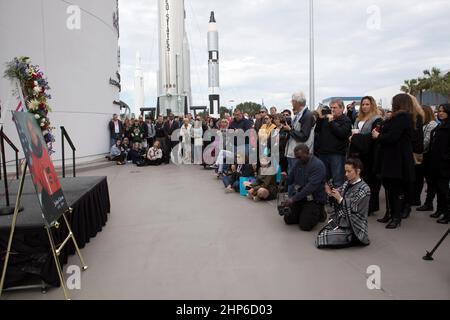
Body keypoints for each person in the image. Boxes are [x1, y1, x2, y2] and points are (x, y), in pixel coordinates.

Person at [372, 94, 416, 229]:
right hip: (392, 158)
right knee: (390, 187)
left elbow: (393, 137)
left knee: (396, 189)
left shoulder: (403, 117)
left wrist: (379, 135)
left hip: (397, 159)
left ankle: (396, 217)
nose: (392, 104)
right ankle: (391, 214)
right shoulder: (399, 117)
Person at [316, 158, 371, 249]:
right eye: (345, 171)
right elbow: (339, 191)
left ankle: (353, 238)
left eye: (349, 171)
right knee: (322, 233)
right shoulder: (347, 183)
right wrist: (330, 192)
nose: (346, 174)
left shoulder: (365, 189)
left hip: (354, 226)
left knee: (323, 238)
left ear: (358, 171)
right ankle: (344, 236)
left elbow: (354, 208)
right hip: (343, 221)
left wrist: (340, 199)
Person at [348, 96, 383, 214]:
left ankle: (370, 207)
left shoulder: (377, 119)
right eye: (363, 104)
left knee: (370, 182)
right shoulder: (358, 119)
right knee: (358, 180)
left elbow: (373, 137)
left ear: (372, 105)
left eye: (367, 104)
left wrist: (356, 138)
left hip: (370, 155)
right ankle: (359, 205)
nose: (364, 106)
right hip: (358, 154)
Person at [283, 144, 327, 231]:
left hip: (314, 199)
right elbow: (291, 180)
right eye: (296, 157)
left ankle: (320, 212)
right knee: (288, 220)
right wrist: (285, 179)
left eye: (299, 157)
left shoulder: (318, 165)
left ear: (308, 153)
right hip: (301, 197)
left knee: (305, 226)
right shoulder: (298, 163)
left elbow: (310, 188)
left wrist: (293, 199)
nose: (297, 159)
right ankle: (304, 212)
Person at [315, 99, 352, 188]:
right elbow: (317, 130)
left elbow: (342, 134)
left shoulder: (346, 120)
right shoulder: (325, 119)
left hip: (337, 155)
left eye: (335, 107)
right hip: (323, 154)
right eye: (331, 107)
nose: (332, 109)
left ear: (342, 108)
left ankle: (337, 201)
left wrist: (331, 122)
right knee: (323, 180)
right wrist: (320, 119)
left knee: (338, 181)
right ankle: (324, 200)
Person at [285, 91, 315, 188]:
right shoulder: (299, 114)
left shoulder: (307, 115)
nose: (292, 103)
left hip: (299, 153)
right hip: (293, 151)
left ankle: (294, 200)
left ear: (297, 102)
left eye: (292, 101)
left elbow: (304, 136)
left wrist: (290, 130)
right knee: (292, 177)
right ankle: (291, 199)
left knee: (296, 179)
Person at [428, 104, 450, 224]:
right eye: (439, 111)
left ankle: (447, 214)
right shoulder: (440, 125)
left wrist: (445, 158)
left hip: (444, 164)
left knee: (444, 190)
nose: (440, 113)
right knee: (438, 188)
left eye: (443, 111)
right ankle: (440, 210)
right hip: (435, 163)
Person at [416, 106, 439, 212]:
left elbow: (426, 141)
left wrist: (417, 148)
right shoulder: (423, 124)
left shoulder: (432, 124)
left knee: (430, 181)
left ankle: (429, 203)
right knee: (419, 179)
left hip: (429, 156)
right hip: (423, 155)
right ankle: (419, 200)